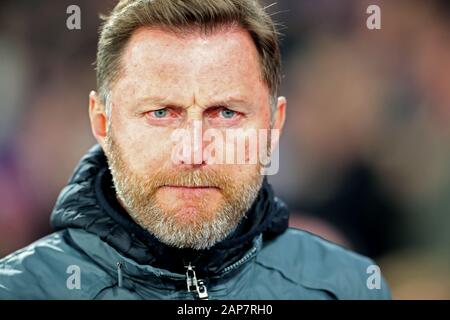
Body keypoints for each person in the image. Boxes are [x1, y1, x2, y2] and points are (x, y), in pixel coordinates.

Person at [0, 0, 390, 300]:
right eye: (161, 112)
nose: (192, 152)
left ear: (273, 127)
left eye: (224, 113)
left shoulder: (346, 288)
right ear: (103, 123)